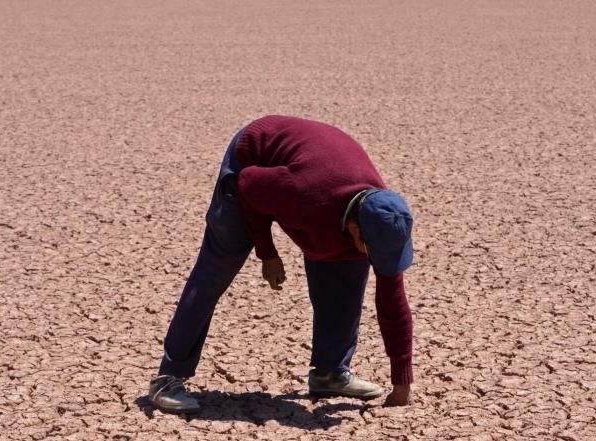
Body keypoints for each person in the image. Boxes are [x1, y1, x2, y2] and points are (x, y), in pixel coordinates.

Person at [148, 115, 414, 413]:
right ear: (354, 227)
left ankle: (330, 373)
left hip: (316, 182)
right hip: (252, 159)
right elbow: (249, 183)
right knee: (216, 268)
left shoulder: (385, 218)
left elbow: (393, 302)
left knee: (347, 275)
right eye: (370, 247)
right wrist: (267, 253)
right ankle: (168, 378)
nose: (376, 256)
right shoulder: (305, 194)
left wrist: (402, 384)